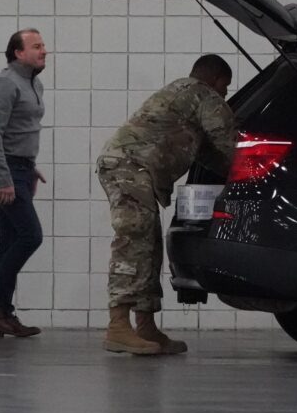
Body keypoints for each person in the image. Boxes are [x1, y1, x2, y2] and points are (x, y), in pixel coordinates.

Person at [96, 54, 237, 356]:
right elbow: (227, 143)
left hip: (130, 166)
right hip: (131, 166)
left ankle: (145, 326)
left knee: (149, 242)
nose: (225, 94)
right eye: (225, 87)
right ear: (213, 80)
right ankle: (118, 325)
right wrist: (252, 173)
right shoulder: (202, 94)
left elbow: (207, 154)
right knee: (133, 239)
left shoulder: (182, 95)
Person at [0, 29, 48, 338]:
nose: (44, 50)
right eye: (36, 46)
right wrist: (5, 179)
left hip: (20, 169)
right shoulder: (4, 84)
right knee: (30, 236)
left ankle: (1, 314)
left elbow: (23, 130)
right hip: (3, 172)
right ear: (18, 53)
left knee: (8, 241)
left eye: (43, 45)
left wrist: (30, 169)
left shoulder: (33, 83)